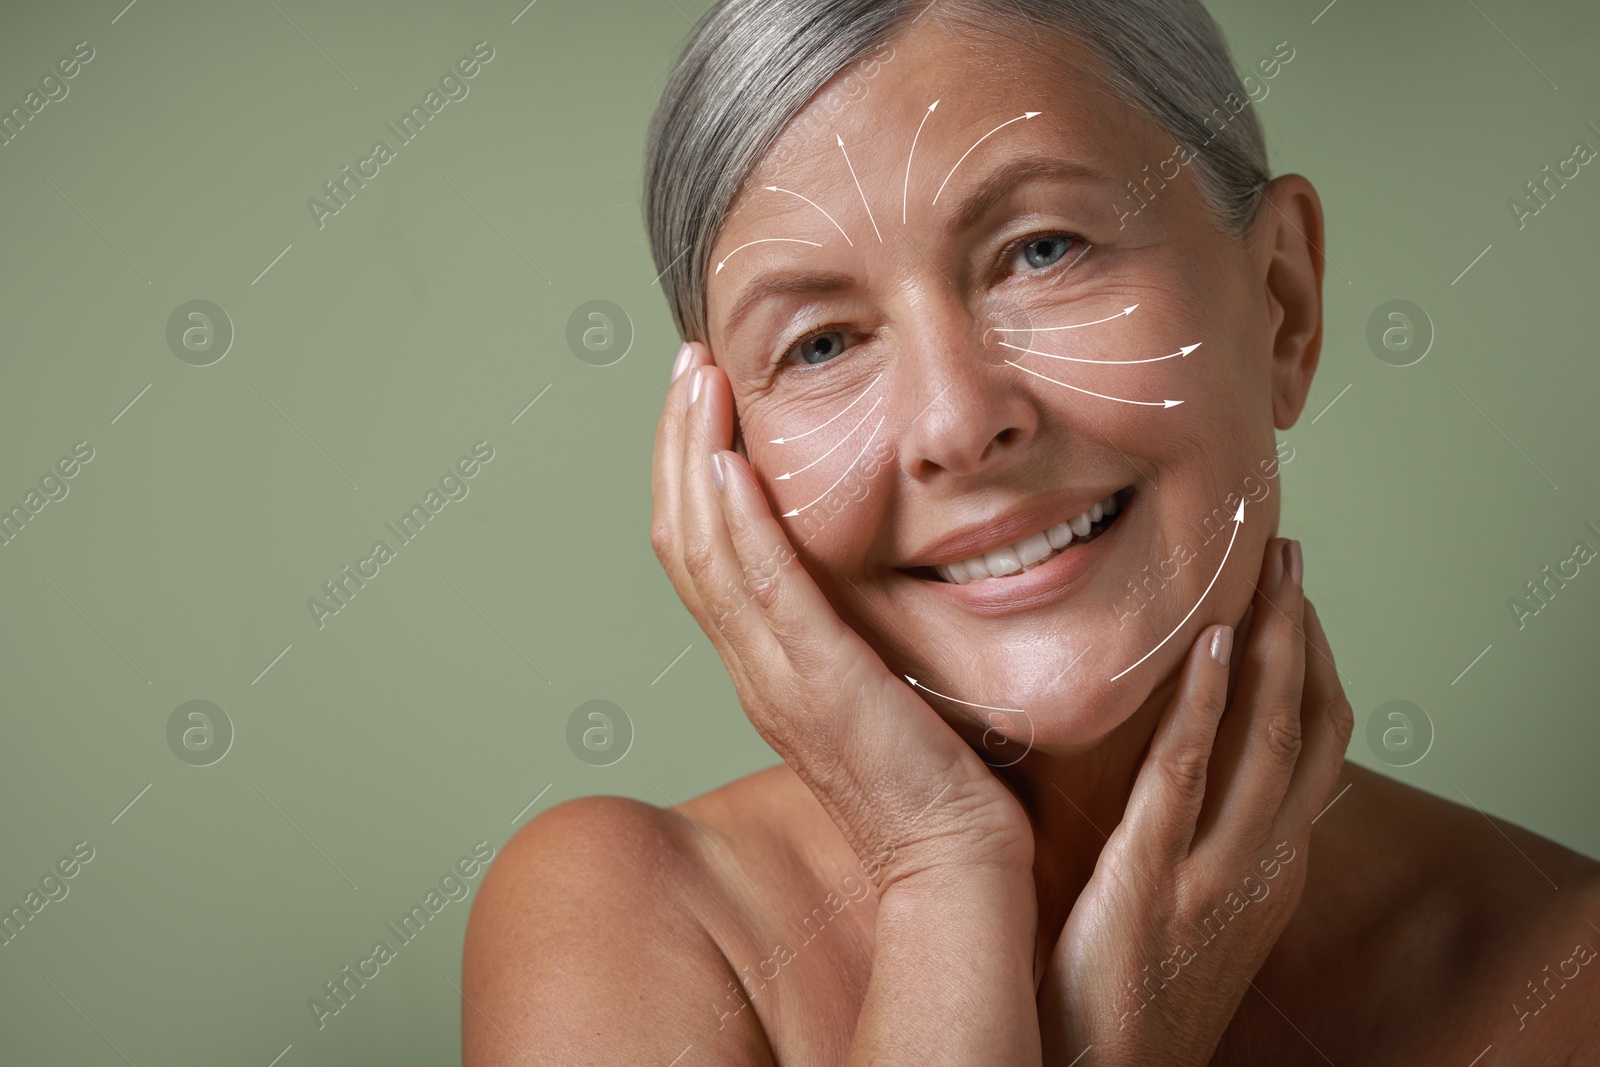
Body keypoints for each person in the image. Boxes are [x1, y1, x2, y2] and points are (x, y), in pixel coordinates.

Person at [462, 1, 1600, 1062]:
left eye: (1042, 249)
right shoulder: (626, 922)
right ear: (723, 458)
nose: (958, 423)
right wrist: (942, 867)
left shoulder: (1566, 974)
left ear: (1282, 304)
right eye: (819, 343)